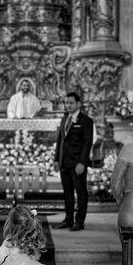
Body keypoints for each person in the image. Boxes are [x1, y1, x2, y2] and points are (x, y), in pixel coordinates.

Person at [52, 92, 94, 231]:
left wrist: (82, 162)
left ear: (78, 104)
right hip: (64, 163)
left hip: (77, 164)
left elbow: (87, 143)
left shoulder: (86, 121)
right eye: (66, 103)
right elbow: (60, 141)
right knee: (67, 193)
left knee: (81, 193)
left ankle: (79, 221)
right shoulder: (65, 119)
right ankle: (68, 219)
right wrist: (56, 159)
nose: (68, 105)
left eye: (70, 102)